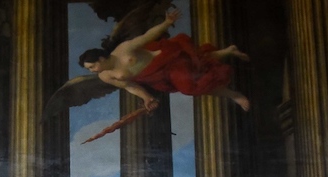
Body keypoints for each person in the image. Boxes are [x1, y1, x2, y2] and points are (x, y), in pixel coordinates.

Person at [79, 8, 250, 112]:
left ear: (101, 58)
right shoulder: (105, 76)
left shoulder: (123, 50)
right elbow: (130, 86)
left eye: (92, 66)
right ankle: (229, 51)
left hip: (166, 61)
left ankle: (234, 95)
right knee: (197, 66)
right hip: (157, 79)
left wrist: (166, 23)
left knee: (191, 85)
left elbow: (147, 37)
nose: (92, 70)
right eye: (89, 69)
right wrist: (146, 98)